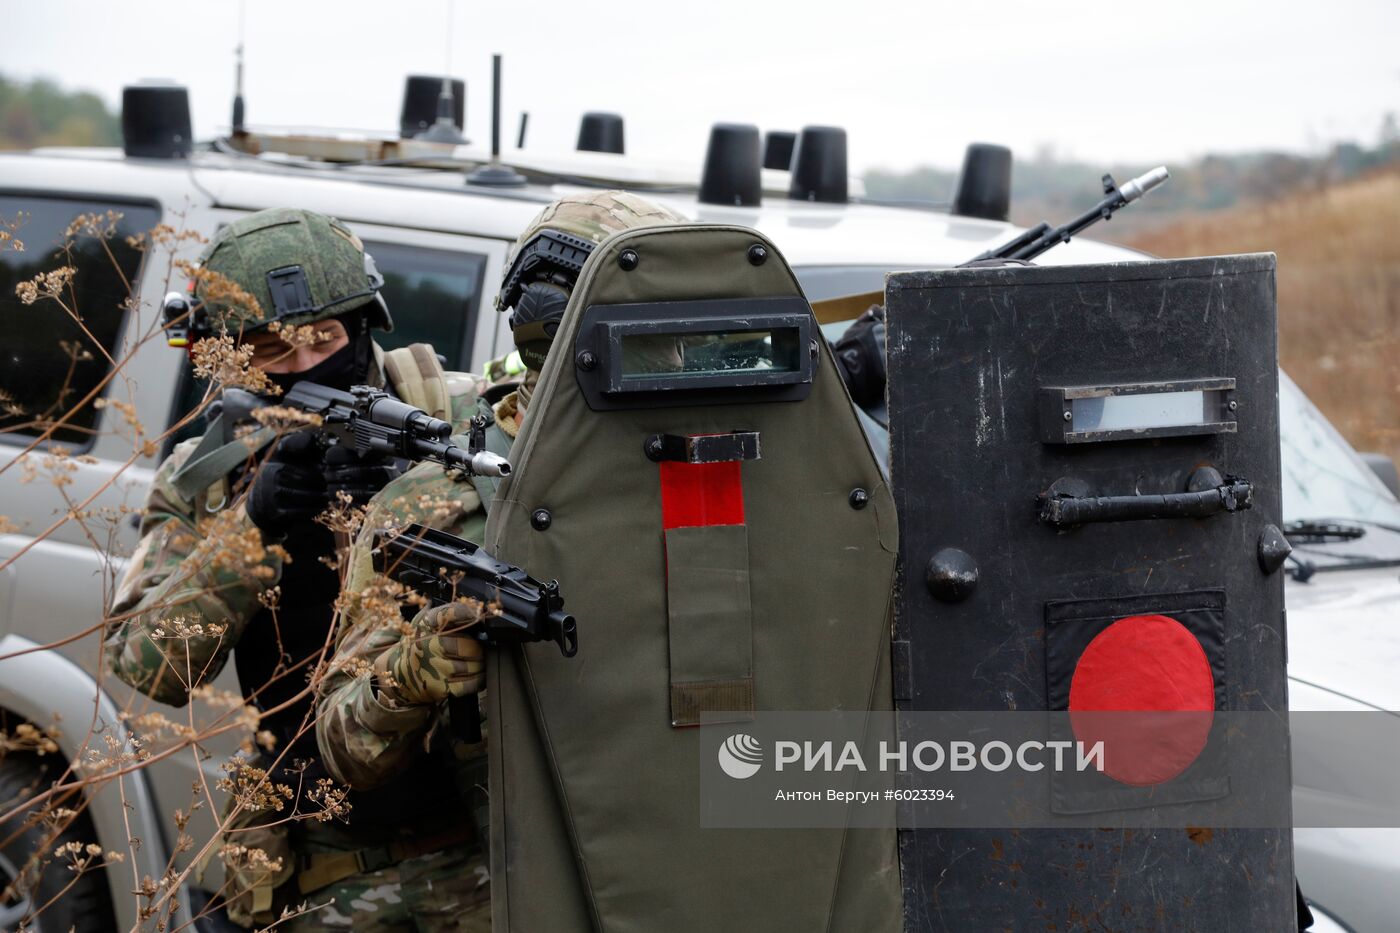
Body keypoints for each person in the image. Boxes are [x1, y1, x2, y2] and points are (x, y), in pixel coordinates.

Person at [106, 207, 487, 929]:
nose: (306, 365)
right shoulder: (206, 477)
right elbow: (150, 666)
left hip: (481, 849)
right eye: (272, 352)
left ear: (366, 325)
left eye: (324, 339)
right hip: (318, 864)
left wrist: (423, 488)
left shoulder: (463, 419)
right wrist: (249, 529)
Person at [314, 191, 686, 922]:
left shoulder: (732, 470)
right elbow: (342, 745)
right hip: (523, 888)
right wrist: (412, 672)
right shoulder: (439, 500)